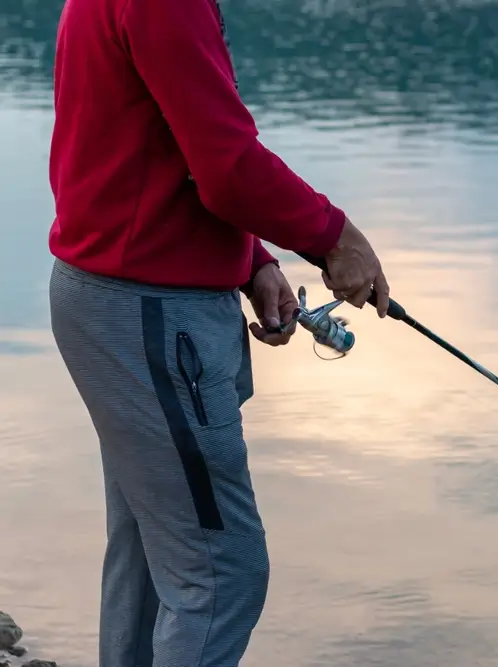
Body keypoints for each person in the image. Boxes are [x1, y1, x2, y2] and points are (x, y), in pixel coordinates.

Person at [46, 0, 390, 665]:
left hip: (118, 300)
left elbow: (166, 149)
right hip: (147, 316)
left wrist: (254, 260)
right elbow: (228, 167)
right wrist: (335, 238)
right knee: (219, 574)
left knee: (156, 553)